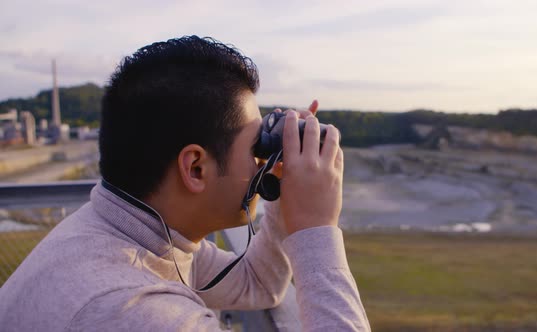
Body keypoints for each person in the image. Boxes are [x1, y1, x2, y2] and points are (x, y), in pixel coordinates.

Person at [0, 35, 370, 331]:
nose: (260, 160)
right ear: (195, 168)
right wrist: (318, 229)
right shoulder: (136, 312)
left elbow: (257, 283)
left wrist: (282, 192)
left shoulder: (126, 234)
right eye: (255, 147)